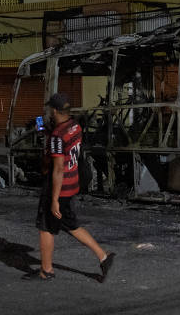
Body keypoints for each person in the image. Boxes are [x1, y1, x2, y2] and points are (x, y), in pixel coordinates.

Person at [33, 93, 114, 281]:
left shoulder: (57, 136)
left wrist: (53, 200)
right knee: (71, 224)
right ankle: (103, 256)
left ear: (54, 110)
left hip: (58, 187)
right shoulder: (75, 126)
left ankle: (46, 271)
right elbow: (63, 142)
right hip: (72, 184)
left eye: (49, 110)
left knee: (45, 227)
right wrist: (46, 132)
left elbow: (58, 169)